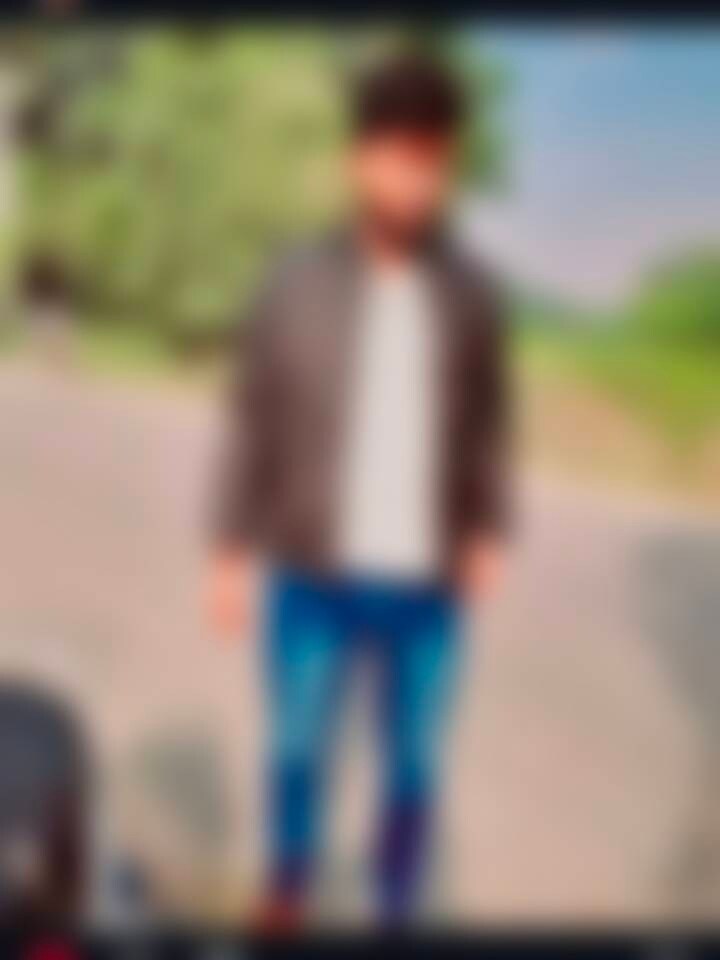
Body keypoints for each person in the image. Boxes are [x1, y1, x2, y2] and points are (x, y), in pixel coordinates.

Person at [207, 51, 511, 928]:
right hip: (312, 572)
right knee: (298, 747)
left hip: (427, 588)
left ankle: (393, 902)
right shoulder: (293, 281)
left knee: (413, 767)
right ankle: (289, 883)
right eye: (398, 155)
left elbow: (488, 421)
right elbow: (254, 417)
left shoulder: (474, 295)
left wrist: (486, 527)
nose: (414, 180)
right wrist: (229, 548)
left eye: (433, 160)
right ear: (359, 159)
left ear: (448, 167)